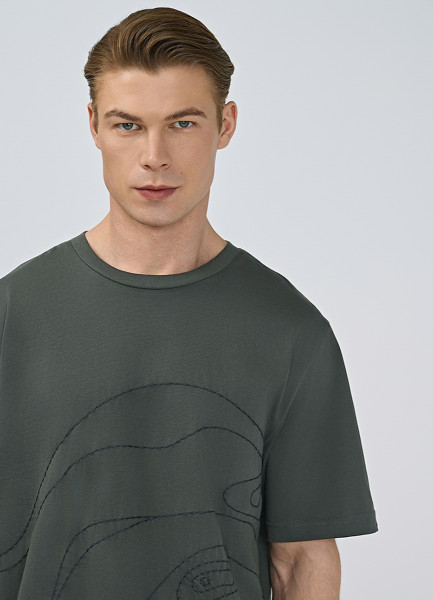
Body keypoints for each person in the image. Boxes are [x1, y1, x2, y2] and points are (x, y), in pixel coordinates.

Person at [0, 7, 378, 599]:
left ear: (225, 125)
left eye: (182, 123)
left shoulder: (291, 332)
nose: (155, 156)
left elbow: (302, 560)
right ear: (94, 125)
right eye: (128, 125)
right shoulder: (12, 314)